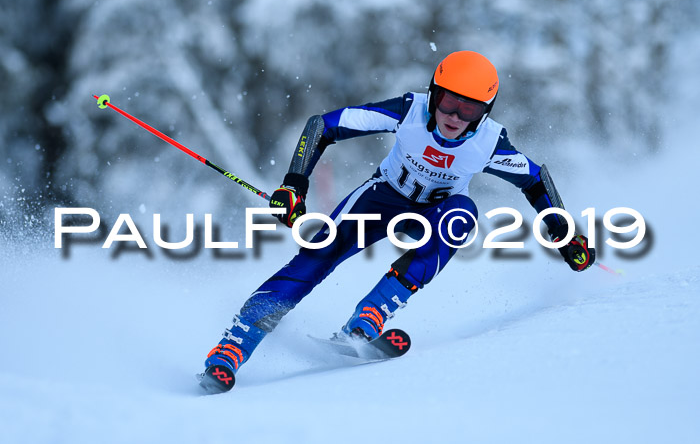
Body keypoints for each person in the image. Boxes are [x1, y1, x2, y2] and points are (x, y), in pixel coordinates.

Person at [202, 51, 595, 386]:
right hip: (383, 197)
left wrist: (563, 231)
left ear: (485, 111)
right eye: (448, 102)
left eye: (469, 108)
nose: (455, 116)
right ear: (434, 93)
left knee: (463, 214)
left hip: (438, 212)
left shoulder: (489, 142)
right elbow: (322, 126)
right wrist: (293, 185)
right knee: (314, 258)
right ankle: (232, 347)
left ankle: (369, 318)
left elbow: (535, 179)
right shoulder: (409, 110)